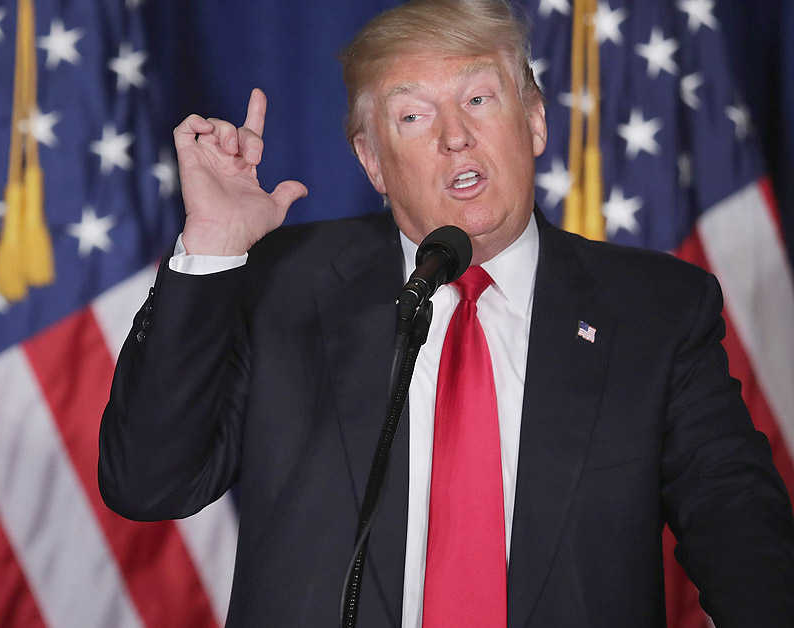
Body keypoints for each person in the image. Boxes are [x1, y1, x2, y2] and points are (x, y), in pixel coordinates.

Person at [98, 0, 794, 626]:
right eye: (413, 115)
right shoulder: (281, 284)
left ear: (536, 121)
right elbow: (150, 483)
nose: (455, 136)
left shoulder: (657, 309)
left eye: (480, 99)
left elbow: (737, 523)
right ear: (372, 161)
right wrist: (215, 249)